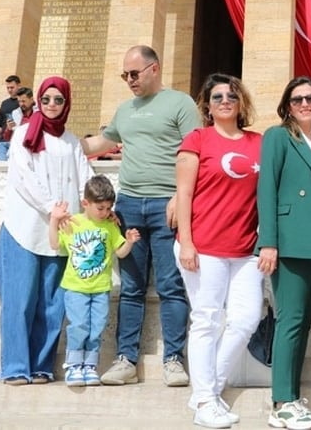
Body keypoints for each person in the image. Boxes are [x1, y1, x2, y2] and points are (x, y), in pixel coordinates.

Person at [81, 45, 200, 387]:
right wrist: (59, 137)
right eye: (124, 75)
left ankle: (175, 360)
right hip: (129, 205)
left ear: (154, 69)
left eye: (134, 73)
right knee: (131, 288)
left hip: (167, 205)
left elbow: (195, 152)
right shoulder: (125, 109)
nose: (129, 80)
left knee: (171, 286)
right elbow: (103, 142)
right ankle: (126, 360)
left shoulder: (180, 103)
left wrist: (180, 196)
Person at [174, 73, 262, 428]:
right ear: (207, 106)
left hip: (245, 250)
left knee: (245, 319)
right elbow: (183, 194)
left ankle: (206, 391)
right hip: (203, 246)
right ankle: (207, 398)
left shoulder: (259, 142)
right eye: (217, 97)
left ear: (241, 103)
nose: (225, 100)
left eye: (231, 95)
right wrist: (187, 241)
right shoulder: (197, 139)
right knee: (207, 321)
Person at [257, 76, 311, 430]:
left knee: (303, 322)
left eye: (310, 98)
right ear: (287, 106)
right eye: (297, 100)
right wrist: (269, 242)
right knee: (289, 321)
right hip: (291, 241)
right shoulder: (278, 137)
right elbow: (267, 190)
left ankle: (292, 396)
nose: (304, 104)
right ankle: (280, 402)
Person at [0, 76, 93, 385]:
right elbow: (23, 178)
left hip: (62, 231)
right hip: (24, 228)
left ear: (67, 103)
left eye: (59, 100)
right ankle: (14, 366)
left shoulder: (72, 141)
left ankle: (42, 365)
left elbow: (85, 179)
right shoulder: (24, 133)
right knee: (19, 300)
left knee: (53, 303)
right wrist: (52, 206)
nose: (52, 105)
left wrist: (100, 205)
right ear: (38, 100)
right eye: (47, 99)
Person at [50, 175, 141, 387]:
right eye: (100, 208)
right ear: (85, 203)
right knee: (79, 324)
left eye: (109, 208)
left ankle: (90, 365)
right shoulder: (73, 223)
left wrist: (129, 242)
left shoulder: (110, 226)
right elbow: (55, 244)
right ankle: (73, 365)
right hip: (75, 288)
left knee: (97, 326)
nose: (105, 212)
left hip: (101, 288)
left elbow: (120, 252)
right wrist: (54, 220)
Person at [0, 75, 21, 161]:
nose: (9, 90)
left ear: (19, 86)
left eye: (12, 87)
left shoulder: (24, 102)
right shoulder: (5, 103)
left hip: (17, 141)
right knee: (1, 168)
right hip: (2, 142)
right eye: (8, 88)